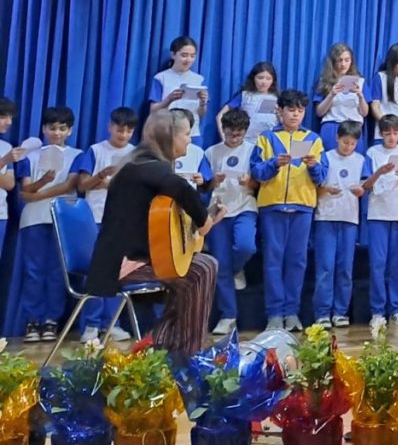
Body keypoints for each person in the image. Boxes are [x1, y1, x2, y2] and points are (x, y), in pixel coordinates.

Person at [86, 109, 218, 355]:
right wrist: (207, 220)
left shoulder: (140, 165)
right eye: (186, 134)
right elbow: (192, 206)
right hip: (123, 264)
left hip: (141, 258)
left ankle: (165, 343)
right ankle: (188, 352)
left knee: (202, 264)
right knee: (200, 270)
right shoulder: (149, 170)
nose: (189, 140)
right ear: (170, 137)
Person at [250, 89, 328, 333]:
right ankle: (274, 313)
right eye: (291, 110)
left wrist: (313, 166)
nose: (295, 115)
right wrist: (274, 163)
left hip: (302, 206)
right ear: (280, 111)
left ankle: (292, 312)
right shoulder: (266, 138)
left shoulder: (313, 139)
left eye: (300, 110)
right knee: (273, 261)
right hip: (272, 206)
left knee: (297, 261)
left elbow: (322, 176)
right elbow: (256, 172)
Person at [72, 106, 139, 341]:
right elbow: (82, 185)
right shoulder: (95, 150)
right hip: (96, 217)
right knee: (95, 271)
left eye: (129, 131)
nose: (124, 135)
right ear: (110, 127)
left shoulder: (135, 154)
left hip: (123, 220)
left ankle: (112, 323)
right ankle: (91, 324)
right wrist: (101, 176)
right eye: (120, 130)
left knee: (118, 272)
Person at [16, 105, 79, 342]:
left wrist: (35, 195)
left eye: (62, 128)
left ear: (70, 131)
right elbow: (26, 188)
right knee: (34, 271)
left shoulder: (77, 155)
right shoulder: (30, 156)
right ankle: (32, 321)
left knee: (57, 272)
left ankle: (52, 320)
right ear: (44, 129)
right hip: (34, 219)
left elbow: (70, 185)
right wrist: (42, 181)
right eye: (52, 128)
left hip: (63, 219)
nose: (57, 133)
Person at [204, 108, 259, 335]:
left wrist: (250, 182)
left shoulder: (254, 150)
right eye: (229, 134)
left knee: (247, 246)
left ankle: (238, 268)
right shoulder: (211, 152)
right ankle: (228, 316)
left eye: (238, 134)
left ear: (245, 132)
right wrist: (212, 182)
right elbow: (204, 186)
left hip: (245, 206)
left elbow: (261, 183)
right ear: (223, 129)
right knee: (221, 265)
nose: (234, 138)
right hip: (218, 210)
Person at [362, 114, 398, 326]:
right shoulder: (372, 153)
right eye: (387, 133)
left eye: (395, 133)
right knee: (378, 264)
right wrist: (378, 173)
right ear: (380, 134)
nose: (391, 137)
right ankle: (377, 311)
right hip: (378, 213)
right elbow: (366, 185)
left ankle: (397, 309)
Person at [313, 119, 365, 328]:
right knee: (325, 267)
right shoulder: (325, 157)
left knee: (345, 268)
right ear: (337, 138)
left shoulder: (360, 160)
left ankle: (340, 311)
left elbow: (364, 185)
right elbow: (315, 186)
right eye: (345, 142)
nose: (348, 147)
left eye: (352, 144)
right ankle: (322, 313)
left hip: (349, 218)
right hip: (326, 216)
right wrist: (326, 189)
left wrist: (361, 190)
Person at [149, 35, 207, 140]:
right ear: (173, 54)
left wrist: (203, 102)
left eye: (192, 56)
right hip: (167, 132)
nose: (188, 60)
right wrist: (169, 99)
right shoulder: (161, 78)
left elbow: (201, 114)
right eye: (184, 55)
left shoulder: (199, 79)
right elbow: (153, 111)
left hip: (192, 133)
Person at [313, 43, 368, 150]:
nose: (343, 64)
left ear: (351, 61)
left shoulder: (360, 82)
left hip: (353, 128)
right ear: (333, 62)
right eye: (340, 60)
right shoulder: (325, 81)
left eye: (347, 60)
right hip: (332, 127)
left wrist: (360, 96)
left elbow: (365, 113)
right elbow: (319, 112)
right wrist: (331, 95)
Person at [216, 61, 280, 143]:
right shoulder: (245, 95)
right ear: (253, 78)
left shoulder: (277, 98)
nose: (264, 82)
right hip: (246, 142)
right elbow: (220, 115)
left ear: (273, 80)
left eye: (268, 79)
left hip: (269, 143)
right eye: (260, 78)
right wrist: (224, 139)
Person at [0, 97, 26, 268]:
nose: (9, 122)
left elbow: (9, 183)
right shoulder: (7, 154)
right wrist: (4, 161)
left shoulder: (6, 146)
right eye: (3, 116)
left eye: (11, 117)